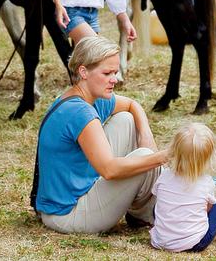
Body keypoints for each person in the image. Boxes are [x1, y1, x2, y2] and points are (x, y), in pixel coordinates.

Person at [35, 36, 165, 233]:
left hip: (72, 194)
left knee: (126, 119)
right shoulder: (80, 112)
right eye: (107, 73)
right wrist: (163, 156)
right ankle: (146, 214)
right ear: (83, 71)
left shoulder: (86, 96)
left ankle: (144, 211)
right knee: (145, 157)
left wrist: (145, 135)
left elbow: (132, 105)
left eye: (115, 72)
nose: (114, 79)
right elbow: (110, 170)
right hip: (67, 215)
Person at [150, 123, 216, 252]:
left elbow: (158, 198)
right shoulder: (206, 182)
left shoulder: (164, 175)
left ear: (174, 150)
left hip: (160, 241)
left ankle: (168, 231)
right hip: (194, 243)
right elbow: (207, 208)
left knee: (157, 207)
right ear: (208, 158)